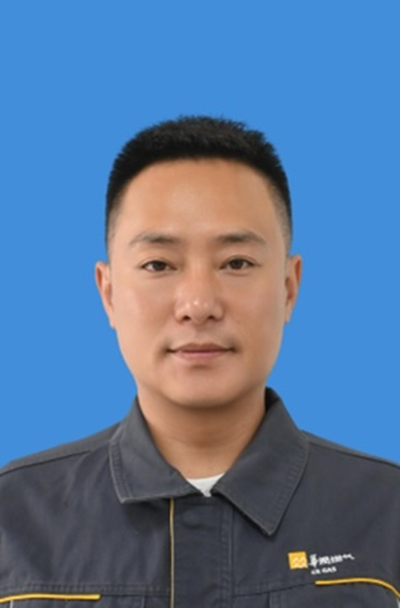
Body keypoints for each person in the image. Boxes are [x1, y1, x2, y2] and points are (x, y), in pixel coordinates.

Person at [1, 116, 399, 608]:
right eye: (158, 265)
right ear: (108, 293)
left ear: (289, 287)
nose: (198, 304)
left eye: (236, 263)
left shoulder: (386, 512)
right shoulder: (15, 517)